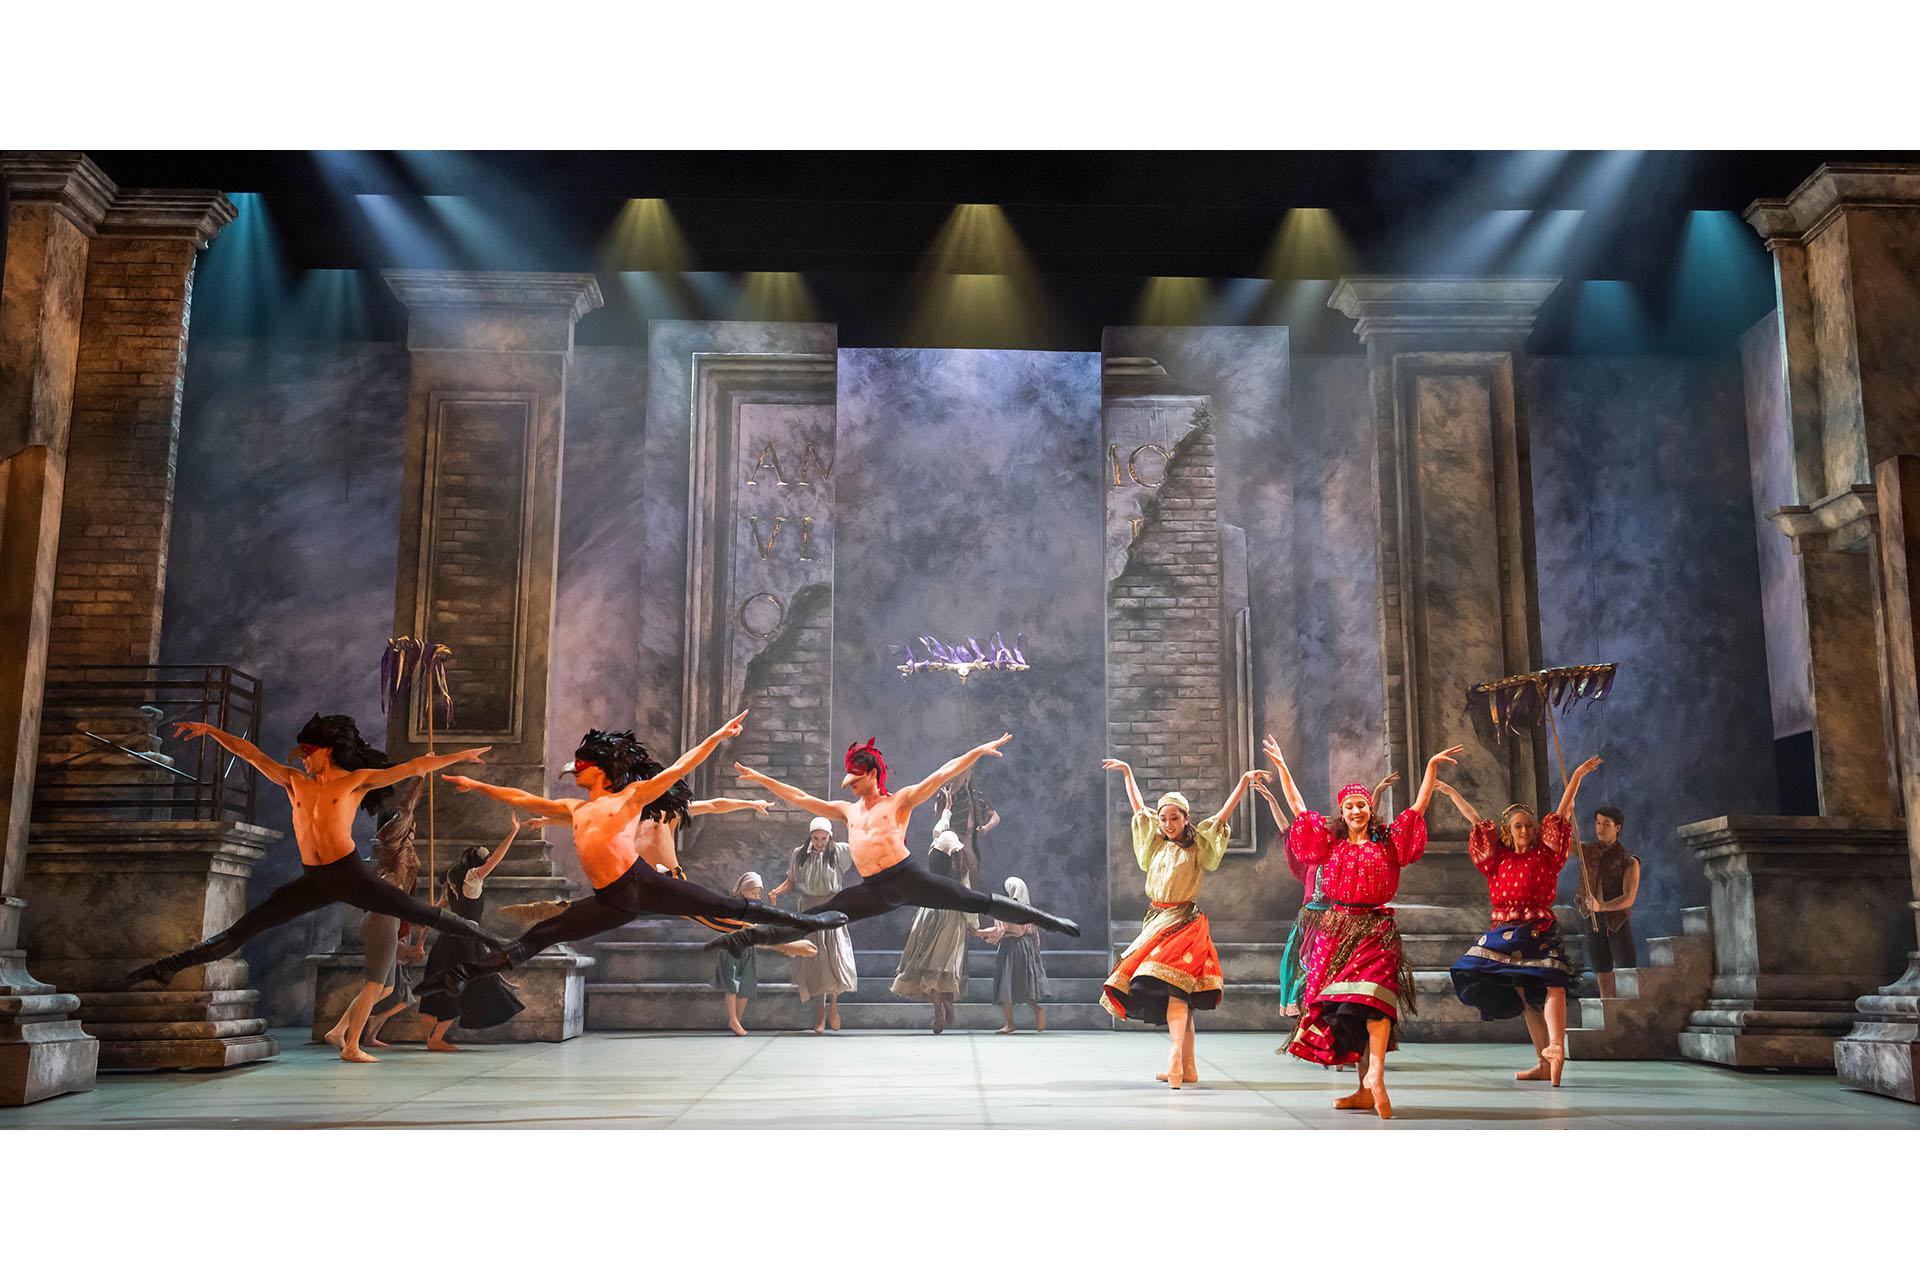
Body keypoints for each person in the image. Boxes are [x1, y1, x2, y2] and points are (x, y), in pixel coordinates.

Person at [411, 711, 845, 1001]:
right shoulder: (573, 809)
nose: (575, 772)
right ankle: (461, 974)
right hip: (611, 899)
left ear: (599, 769)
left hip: (644, 882)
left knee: (724, 906)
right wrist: (479, 786)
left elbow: (679, 769)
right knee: (541, 934)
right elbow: (522, 798)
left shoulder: (632, 799)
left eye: (581, 766)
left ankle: (807, 922)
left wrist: (717, 736)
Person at [125, 715, 506, 990]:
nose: (302, 758)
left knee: (420, 912)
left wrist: (458, 756)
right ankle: (170, 966)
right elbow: (252, 755)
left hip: (350, 874)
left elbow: (415, 766)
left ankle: (495, 942)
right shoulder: (295, 782)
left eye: (307, 751)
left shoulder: (357, 781)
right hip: (314, 880)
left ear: (327, 750)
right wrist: (211, 731)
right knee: (246, 927)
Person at [712, 735, 1079, 956]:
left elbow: (940, 775)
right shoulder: (845, 810)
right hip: (873, 889)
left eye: (855, 779)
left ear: (871, 774)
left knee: (976, 901)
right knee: (817, 919)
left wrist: (977, 752)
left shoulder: (899, 801)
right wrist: (760, 777)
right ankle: (746, 939)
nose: (849, 786)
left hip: (908, 879)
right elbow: (800, 797)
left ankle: (1048, 921)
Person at [1264, 736, 1462, 1119]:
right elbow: (1298, 807)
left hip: (1375, 929)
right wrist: (1284, 769)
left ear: (1371, 810)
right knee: (1347, 1010)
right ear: (1342, 812)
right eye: (1349, 806)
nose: (1356, 810)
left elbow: (1418, 807)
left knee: (1375, 1001)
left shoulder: (1388, 843)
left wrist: (1431, 767)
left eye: (1362, 805)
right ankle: (1363, 1089)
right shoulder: (1330, 844)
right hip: (1335, 931)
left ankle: (1377, 1076)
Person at [1433, 754, 1603, 1088]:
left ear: (1536, 830)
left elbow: (1564, 810)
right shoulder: (1498, 859)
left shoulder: (1547, 856)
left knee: (1552, 980)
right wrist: (1452, 794)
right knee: (1525, 997)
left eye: (1528, 825)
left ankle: (1556, 1047)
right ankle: (1543, 1061)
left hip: (1537, 927)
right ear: (1509, 833)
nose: (1524, 830)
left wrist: (1578, 776)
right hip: (1505, 930)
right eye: (1517, 826)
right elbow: (1475, 820)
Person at [1098, 757, 1266, 1089]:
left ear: (1185, 818)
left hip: (1184, 922)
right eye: (1163, 818)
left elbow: (1222, 816)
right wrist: (1129, 773)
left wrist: (1244, 782)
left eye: (1174, 818)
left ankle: (1175, 1058)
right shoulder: (1156, 843)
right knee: (1181, 996)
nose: (1167, 823)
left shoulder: (1196, 846)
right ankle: (1187, 1068)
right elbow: (1139, 809)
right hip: (1157, 919)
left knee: (1176, 989)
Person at [322, 776, 423, 1062]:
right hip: (382, 919)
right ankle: (352, 1045)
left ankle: (340, 1030)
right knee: (374, 985)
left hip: (387, 918)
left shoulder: (401, 848)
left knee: (387, 987)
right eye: (408, 824)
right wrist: (421, 774)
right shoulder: (394, 843)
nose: (413, 827)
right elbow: (407, 806)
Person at [416, 821, 529, 1051]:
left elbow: (434, 914)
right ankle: (435, 1039)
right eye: (485, 861)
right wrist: (513, 832)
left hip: (446, 941)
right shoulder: (472, 878)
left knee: (449, 986)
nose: (488, 864)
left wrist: (420, 941)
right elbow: (497, 858)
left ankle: (431, 1033)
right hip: (466, 942)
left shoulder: (452, 882)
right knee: (468, 988)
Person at [769, 817, 858, 1033]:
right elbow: (792, 880)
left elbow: (860, 848)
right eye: (816, 838)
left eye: (823, 838)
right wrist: (776, 892)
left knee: (835, 958)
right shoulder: (800, 854)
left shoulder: (838, 852)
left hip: (832, 906)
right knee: (815, 961)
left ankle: (834, 1007)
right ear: (810, 836)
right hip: (809, 909)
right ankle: (820, 1012)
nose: (819, 842)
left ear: (830, 837)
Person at [890, 826, 979, 1033]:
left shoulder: (934, 859)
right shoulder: (959, 871)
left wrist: (946, 813)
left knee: (928, 964)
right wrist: (974, 925)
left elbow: (937, 831)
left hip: (929, 913)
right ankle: (947, 1003)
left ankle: (938, 1009)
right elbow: (968, 898)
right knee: (944, 965)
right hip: (952, 919)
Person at [1579, 805, 1640, 999]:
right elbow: (1559, 844)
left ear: (1618, 827)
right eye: (1598, 823)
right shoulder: (1587, 851)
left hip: (1616, 922)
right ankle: (1609, 1016)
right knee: (1602, 973)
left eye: (1606, 824)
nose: (1600, 828)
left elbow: (1628, 897)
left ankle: (1628, 1016)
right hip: (1592, 919)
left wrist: (1602, 906)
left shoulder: (1628, 861)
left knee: (1627, 972)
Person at [979, 876, 1051, 1033]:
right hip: (1026, 948)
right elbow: (1034, 936)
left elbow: (1011, 931)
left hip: (1012, 949)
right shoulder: (1030, 910)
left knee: (1006, 984)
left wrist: (978, 932)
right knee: (1024, 983)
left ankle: (1010, 1023)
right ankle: (1038, 1010)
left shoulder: (1010, 909)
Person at [712, 873, 767, 1035]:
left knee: (747, 984)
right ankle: (733, 1018)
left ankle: (738, 1019)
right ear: (743, 890)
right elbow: (726, 926)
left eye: (758, 893)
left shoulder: (757, 908)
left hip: (748, 949)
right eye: (753, 893)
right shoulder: (733, 907)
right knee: (732, 983)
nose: (756, 896)